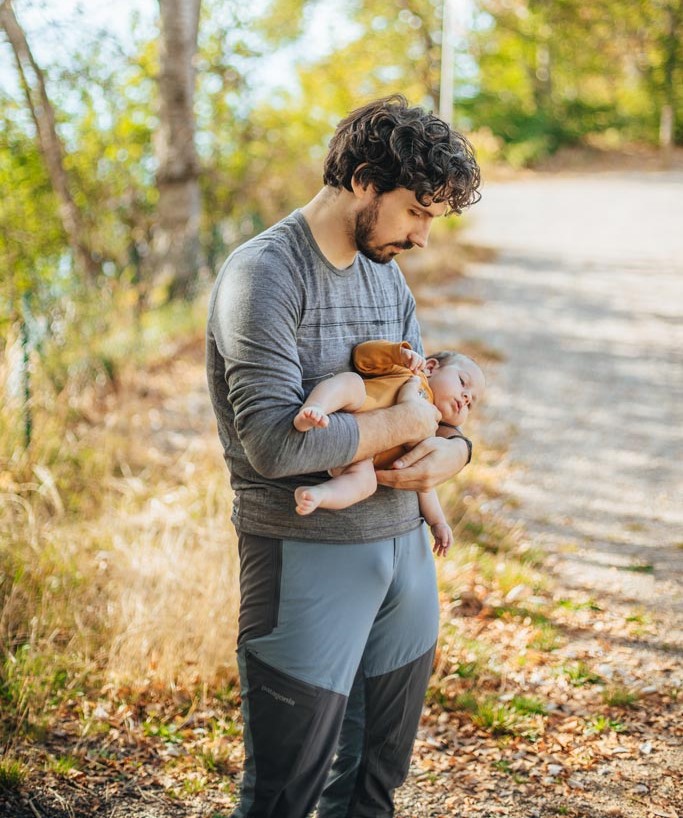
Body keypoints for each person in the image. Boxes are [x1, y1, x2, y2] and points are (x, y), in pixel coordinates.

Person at [206, 94, 481, 818]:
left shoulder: (382, 271)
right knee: (282, 796)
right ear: (363, 180)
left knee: (371, 786)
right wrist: (406, 427)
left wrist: (456, 450)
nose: (423, 236)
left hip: (404, 564)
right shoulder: (264, 274)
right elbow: (271, 443)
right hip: (304, 558)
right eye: (417, 211)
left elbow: (416, 401)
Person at [292, 340, 486, 558]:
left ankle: (320, 495)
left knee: (366, 483)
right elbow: (362, 357)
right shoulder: (409, 374)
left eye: (470, 404)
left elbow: (423, 481)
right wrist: (397, 354)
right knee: (351, 382)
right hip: (359, 403)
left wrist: (438, 522)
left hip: (361, 456)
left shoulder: (432, 431)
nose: (466, 397)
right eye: (462, 382)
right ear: (431, 368)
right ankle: (315, 408)